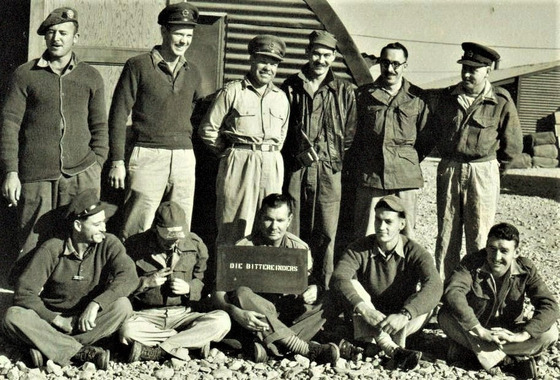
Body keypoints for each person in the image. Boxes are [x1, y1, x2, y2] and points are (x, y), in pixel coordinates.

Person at [0, 7, 108, 281]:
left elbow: (99, 125)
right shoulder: (25, 75)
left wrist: (97, 164)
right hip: (36, 177)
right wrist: (11, 172)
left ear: (76, 37)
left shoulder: (90, 77)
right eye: (51, 32)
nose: (56, 38)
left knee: (79, 239)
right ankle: (26, 304)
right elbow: (9, 125)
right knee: (33, 241)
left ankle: (70, 296)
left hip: (81, 174)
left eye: (63, 32)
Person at [2, 189, 138, 370]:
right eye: (97, 224)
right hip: (51, 322)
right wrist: (56, 319)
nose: (104, 228)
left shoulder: (109, 243)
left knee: (123, 306)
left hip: (88, 321)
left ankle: (50, 348)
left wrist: (96, 304)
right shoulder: (52, 248)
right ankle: (79, 351)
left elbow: (130, 277)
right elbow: (24, 293)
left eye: (104, 222)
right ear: (78, 226)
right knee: (13, 316)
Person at [108, 2, 203, 240]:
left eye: (189, 35)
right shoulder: (138, 65)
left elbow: (196, 113)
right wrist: (118, 160)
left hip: (183, 158)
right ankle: (130, 275)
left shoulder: (193, 72)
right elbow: (118, 114)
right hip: (147, 155)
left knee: (180, 226)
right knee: (137, 223)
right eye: (179, 34)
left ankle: (176, 274)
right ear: (164, 32)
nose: (184, 40)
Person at [431, 42, 523, 280]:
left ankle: (478, 289)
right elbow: (433, 131)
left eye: (474, 69)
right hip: (450, 167)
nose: (467, 74)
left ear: (487, 71)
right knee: (446, 234)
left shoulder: (500, 100)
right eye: (464, 68)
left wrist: (494, 171)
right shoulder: (448, 97)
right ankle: (444, 292)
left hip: (483, 170)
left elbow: (512, 144)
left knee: (480, 235)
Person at [212, 193, 339, 364]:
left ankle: (271, 346)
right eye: (268, 219)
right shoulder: (243, 247)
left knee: (330, 300)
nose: (274, 226)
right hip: (257, 315)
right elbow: (217, 292)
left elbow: (310, 281)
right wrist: (235, 312)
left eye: (280, 220)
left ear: (289, 220)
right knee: (242, 293)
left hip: (287, 315)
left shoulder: (299, 248)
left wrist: (314, 289)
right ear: (259, 218)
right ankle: (303, 348)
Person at [281, 30, 357, 290]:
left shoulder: (344, 90)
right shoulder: (291, 86)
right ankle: (291, 287)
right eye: (316, 53)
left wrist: (330, 156)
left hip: (328, 169)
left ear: (334, 57)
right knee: (294, 227)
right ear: (307, 53)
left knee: (326, 231)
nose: (321, 60)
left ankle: (324, 291)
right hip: (297, 168)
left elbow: (349, 135)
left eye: (326, 55)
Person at [332, 195, 442, 371]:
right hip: (368, 314)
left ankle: (373, 344)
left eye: (388, 222)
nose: (381, 227)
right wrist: (365, 309)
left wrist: (405, 314)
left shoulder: (414, 251)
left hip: (401, 319)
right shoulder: (360, 247)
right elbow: (339, 278)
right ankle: (393, 349)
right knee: (352, 286)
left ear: (402, 224)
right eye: (378, 220)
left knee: (427, 304)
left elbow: (435, 285)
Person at [199, 35, 290, 247]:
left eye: (273, 63)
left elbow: (282, 134)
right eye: (263, 60)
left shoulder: (281, 97)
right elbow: (208, 129)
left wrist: (269, 154)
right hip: (239, 161)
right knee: (234, 224)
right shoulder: (232, 91)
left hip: (271, 162)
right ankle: (227, 278)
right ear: (251, 60)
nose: (268, 67)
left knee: (271, 224)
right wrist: (228, 153)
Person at [438, 223, 559, 378]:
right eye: (492, 249)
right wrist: (480, 331)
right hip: (476, 329)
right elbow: (453, 292)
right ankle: (507, 361)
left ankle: (472, 354)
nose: (496, 257)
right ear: (486, 246)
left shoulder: (526, 269)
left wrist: (521, 335)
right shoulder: (471, 263)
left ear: (516, 252)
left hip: (509, 333)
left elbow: (549, 305)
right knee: (445, 316)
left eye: (504, 251)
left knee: (551, 333)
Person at [119, 201, 231, 362]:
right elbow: (120, 284)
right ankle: (188, 342)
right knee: (127, 331)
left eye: (178, 237)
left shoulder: (195, 244)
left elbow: (205, 280)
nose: (173, 242)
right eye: (168, 238)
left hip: (184, 314)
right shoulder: (134, 245)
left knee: (222, 321)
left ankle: (160, 350)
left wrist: (190, 288)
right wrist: (145, 282)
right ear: (155, 229)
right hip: (146, 316)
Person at [349, 42, 432, 239]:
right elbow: (354, 135)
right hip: (372, 175)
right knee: (367, 234)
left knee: (406, 234)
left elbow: (426, 138)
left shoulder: (418, 98)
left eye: (396, 64)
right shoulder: (363, 95)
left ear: (405, 65)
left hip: (405, 176)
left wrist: (404, 157)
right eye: (385, 63)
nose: (390, 69)